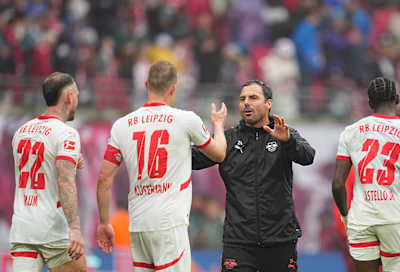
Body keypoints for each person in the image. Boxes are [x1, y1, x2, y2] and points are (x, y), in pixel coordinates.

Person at [96, 60, 227, 271]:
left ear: (146, 85)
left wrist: (104, 223)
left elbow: (103, 178)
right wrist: (218, 126)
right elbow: (220, 154)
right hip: (169, 223)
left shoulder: (122, 125)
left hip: (138, 223)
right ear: (173, 89)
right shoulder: (185, 120)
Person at [192, 79, 316, 272]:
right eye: (242, 99)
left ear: (268, 103)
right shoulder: (228, 139)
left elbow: (308, 156)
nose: (246, 103)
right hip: (239, 242)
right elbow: (192, 159)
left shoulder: (283, 132)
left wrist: (289, 141)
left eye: (253, 97)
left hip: (280, 239)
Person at [9, 72, 86, 271]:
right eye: (76, 95)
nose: (77, 100)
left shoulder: (22, 131)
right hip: (52, 230)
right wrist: (75, 228)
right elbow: (65, 181)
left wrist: (68, 159)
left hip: (23, 229)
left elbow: (36, 163)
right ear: (69, 97)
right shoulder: (67, 133)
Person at [332, 76, 400, 272]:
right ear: (396, 98)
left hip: (361, 219)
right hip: (394, 218)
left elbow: (337, 184)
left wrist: (346, 218)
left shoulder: (351, 131)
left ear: (370, 103)